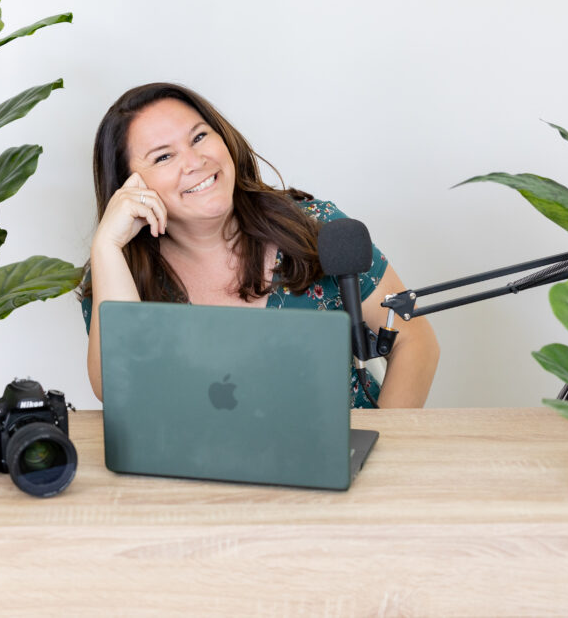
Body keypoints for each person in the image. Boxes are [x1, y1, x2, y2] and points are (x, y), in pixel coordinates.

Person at [80, 83, 438, 407]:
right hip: (199, 474)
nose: (195, 161)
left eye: (199, 137)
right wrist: (108, 246)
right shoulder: (118, 273)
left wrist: (382, 455)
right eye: (163, 156)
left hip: (345, 465)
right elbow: (118, 390)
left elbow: (414, 340)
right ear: (130, 186)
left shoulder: (316, 228)